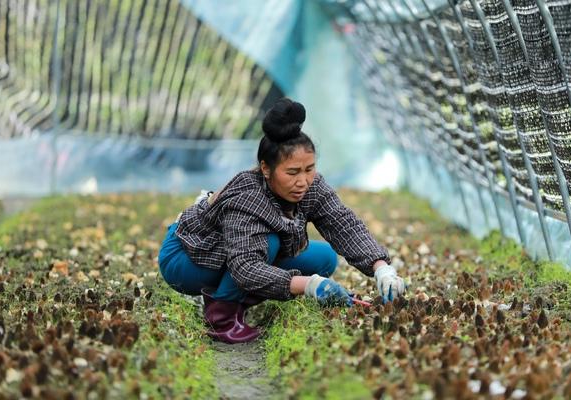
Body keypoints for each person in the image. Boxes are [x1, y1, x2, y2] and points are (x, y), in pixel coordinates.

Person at [158, 98, 406, 344]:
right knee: (270, 242)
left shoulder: (311, 186)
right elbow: (244, 267)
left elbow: (342, 223)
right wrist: (308, 285)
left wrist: (381, 267)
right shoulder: (247, 197)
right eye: (292, 172)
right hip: (188, 256)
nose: (303, 181)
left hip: (236, 250)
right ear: (266, 169)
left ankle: (238, 296)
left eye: (309, 169)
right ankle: (221, 318)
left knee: (324, 258)